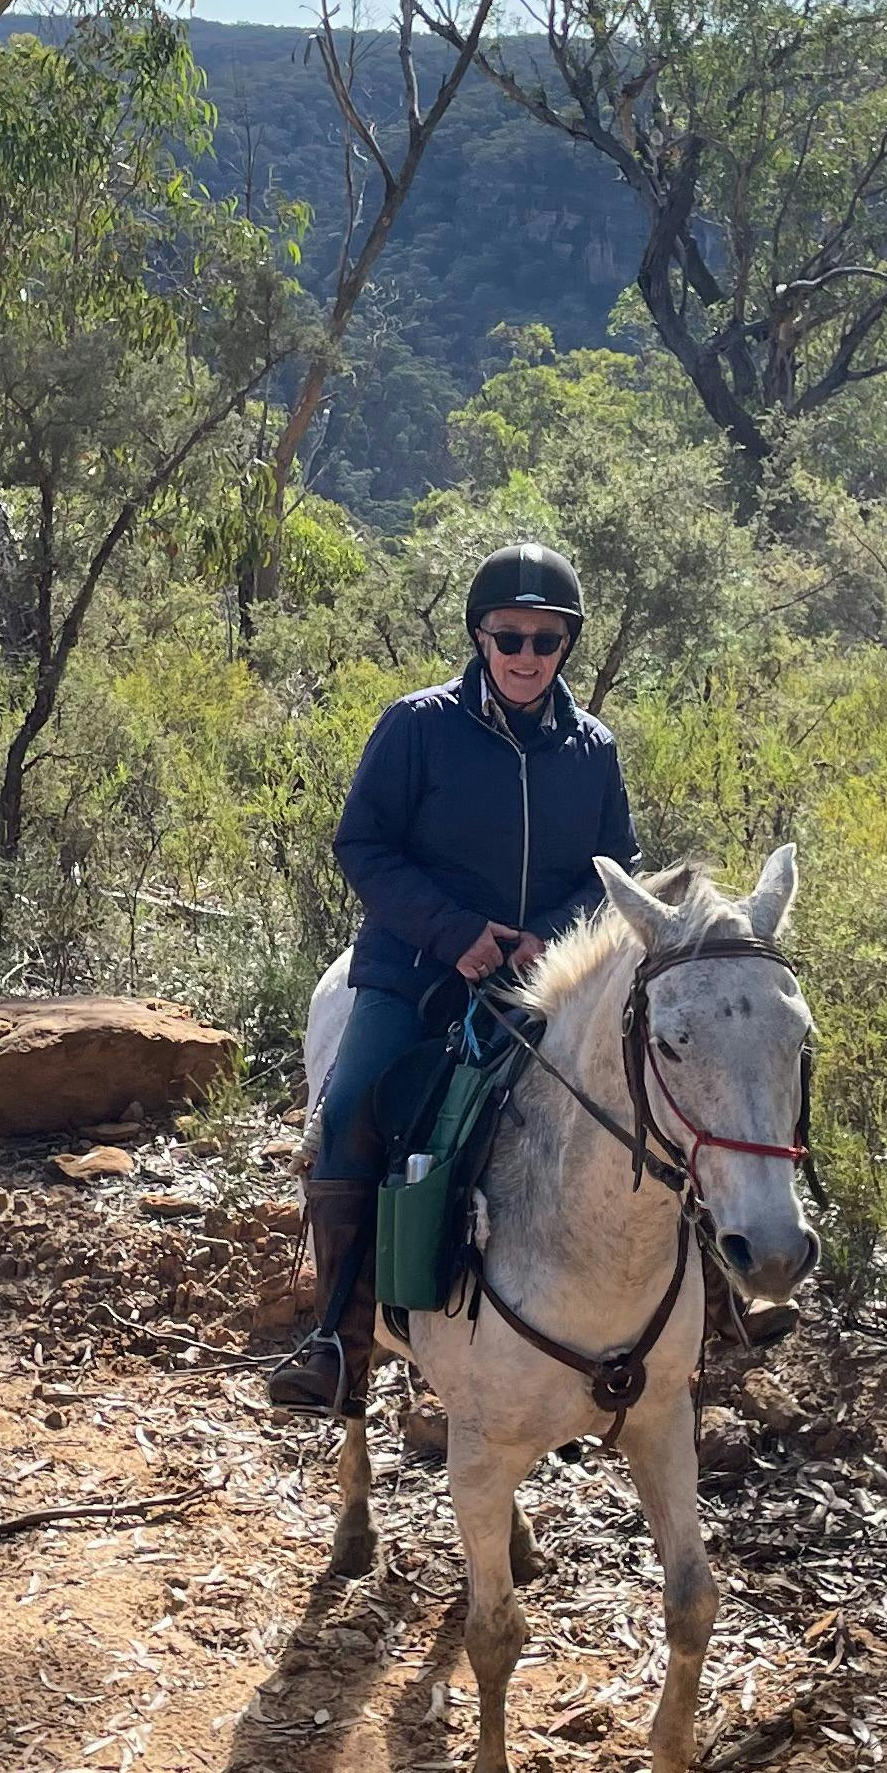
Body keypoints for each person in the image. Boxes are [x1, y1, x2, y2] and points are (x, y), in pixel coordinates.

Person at [271, 542, 642, 1413]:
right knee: (356, 1105)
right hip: (414, 969)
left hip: (540, 982)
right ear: (480, 636)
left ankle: (704, 1306)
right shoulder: (417, 725)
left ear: (566, 648)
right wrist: (458, 934)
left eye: (545, 642)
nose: (525, 656)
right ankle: (337, 1338)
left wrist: (542, 943)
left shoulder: (593, 749)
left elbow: (616, 866)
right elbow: (362, 844)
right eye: (508, 637)